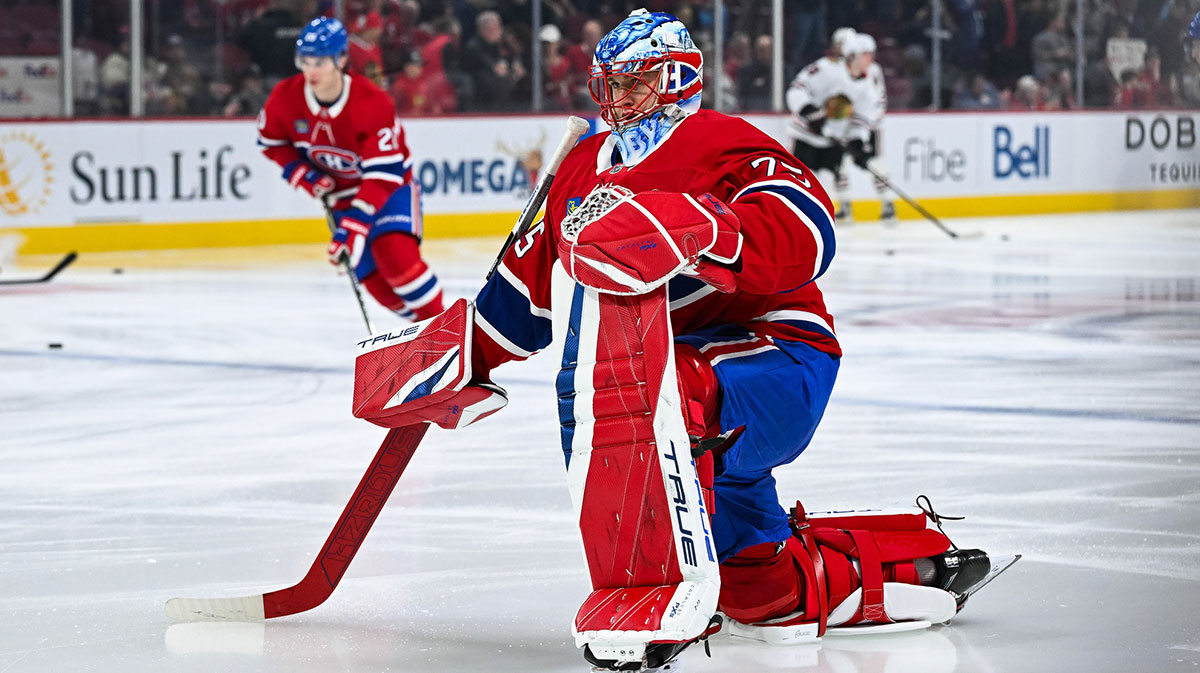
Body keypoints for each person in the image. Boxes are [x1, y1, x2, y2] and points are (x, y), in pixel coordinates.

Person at [351, 9, 1013, 671]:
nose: (615, 100)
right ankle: (906, 558)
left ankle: (651, 583)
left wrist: (705, 228)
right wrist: (449, 356)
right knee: (764, 595)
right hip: (683, 400)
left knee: (653, 383)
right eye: (606, 83)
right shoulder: (580, 168)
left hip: (779, 357)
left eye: (632, 83)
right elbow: (518, 300)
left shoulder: (722, 143)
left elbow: (809, 228)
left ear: (675, 79)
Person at [257, 17, 445, 322]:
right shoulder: (285, 98)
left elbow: (383, 173)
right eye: (304, 60)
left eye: (319, 61)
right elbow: (272, 143)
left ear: (341, 59)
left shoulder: (370, 101)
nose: (310, 70)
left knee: (395, 258)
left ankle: (445, 330)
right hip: (342, 198)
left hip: (389, 189)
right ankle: (422, 331)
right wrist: (304, 176)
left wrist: (356, 224)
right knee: (375, 284)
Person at [785, 27, 856, 221]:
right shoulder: (823, 67)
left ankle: (819, 220)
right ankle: (792, 218)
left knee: (826, 181)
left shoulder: (861, 76)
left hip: (833, 137)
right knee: (798, 181)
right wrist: (810, 112)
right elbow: (795, 91)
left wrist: (858, 136)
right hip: (806, 134)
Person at [840, 33, 896, 223]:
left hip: (870, 127)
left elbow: (879, 100)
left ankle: (887, 203)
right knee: (839, 164)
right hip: (846, 128)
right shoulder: (840, 70)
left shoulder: (873, 70)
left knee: (873, 163)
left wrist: (865, 120)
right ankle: (845, 206)